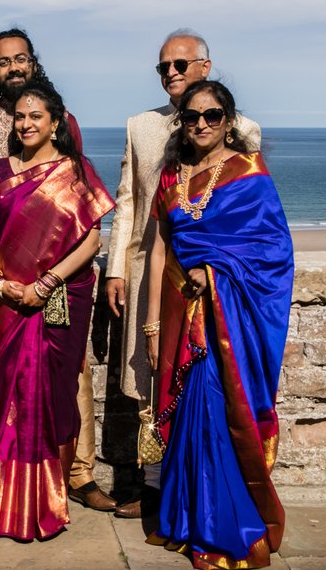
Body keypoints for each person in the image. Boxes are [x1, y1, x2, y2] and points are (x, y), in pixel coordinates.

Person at [103, 29, 261, 517]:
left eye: (181, 64)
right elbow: (128, 201)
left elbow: (248, 214)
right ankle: (152, 487)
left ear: (205, 68)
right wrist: (114, 270)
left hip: (207, 281)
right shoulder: (141, 126)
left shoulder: (242, 129)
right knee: (147, 375)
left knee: (198, 377)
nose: (171, 73)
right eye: (163, 67)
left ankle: (199, 487)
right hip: (150, 269)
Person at [144, 80, 292, 569]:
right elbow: (160, 248)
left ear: (229, 120)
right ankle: (186, 518)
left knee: (214, 411)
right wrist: (151, 322)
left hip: (228, 318)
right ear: (180, 122)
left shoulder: (248, 171)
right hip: (180, 312)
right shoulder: (171, 176)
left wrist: (214, 274)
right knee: (190, 415)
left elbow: (272, 253)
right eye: (191, 116)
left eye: (212, 116)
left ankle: (222, 525)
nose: (201, 124)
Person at [0, 29, 113, 512]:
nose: (13, 67)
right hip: (2, 277)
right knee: (6, 382)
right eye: (3, 61)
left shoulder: (63, 123)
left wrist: (49, 281)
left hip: (57, 288)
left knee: (67, 382)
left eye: (20, 58)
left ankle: (76, 475)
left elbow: (78, 210)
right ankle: (6, 491)